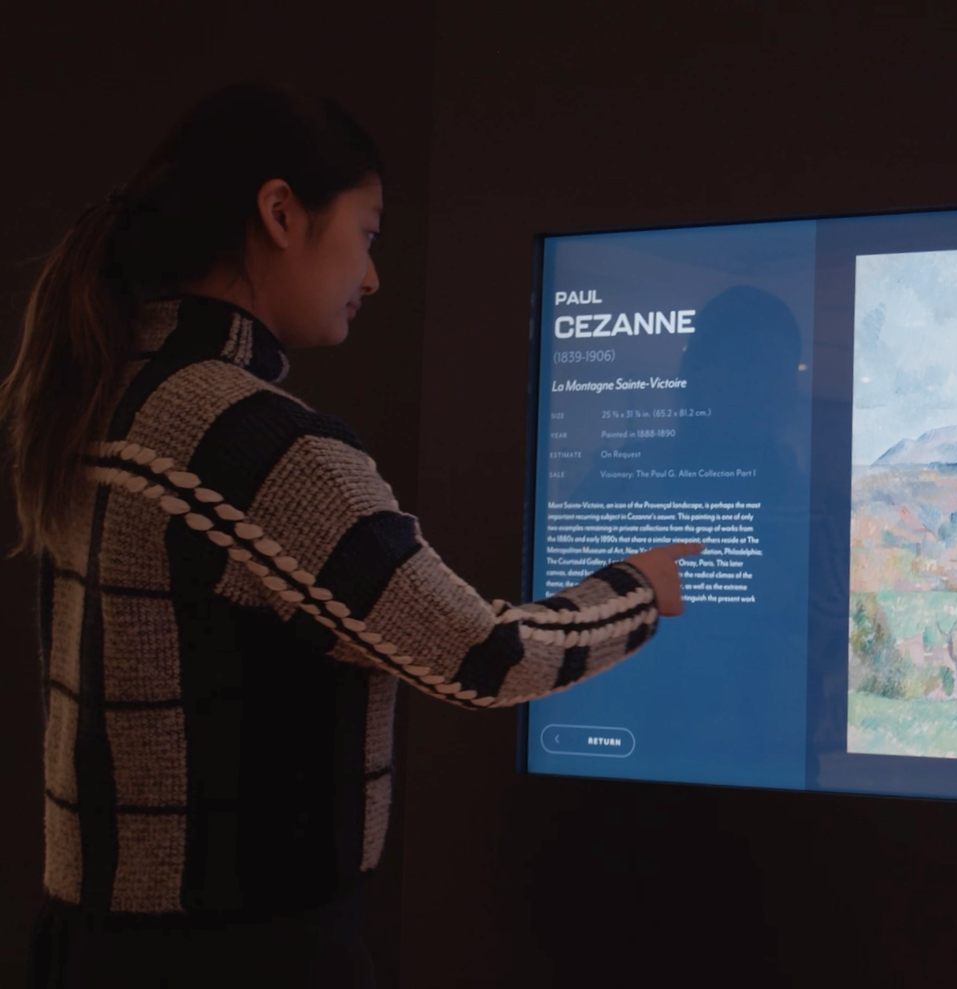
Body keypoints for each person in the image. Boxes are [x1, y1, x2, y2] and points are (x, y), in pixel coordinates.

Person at [0, 83, 701, 988]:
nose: (373, 276)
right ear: (281, 212)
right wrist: (638, 592)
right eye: (366, 235)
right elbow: (479, 655)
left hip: (91, 942)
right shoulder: (252, 440)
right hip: (237, 954)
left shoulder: (102, 395)